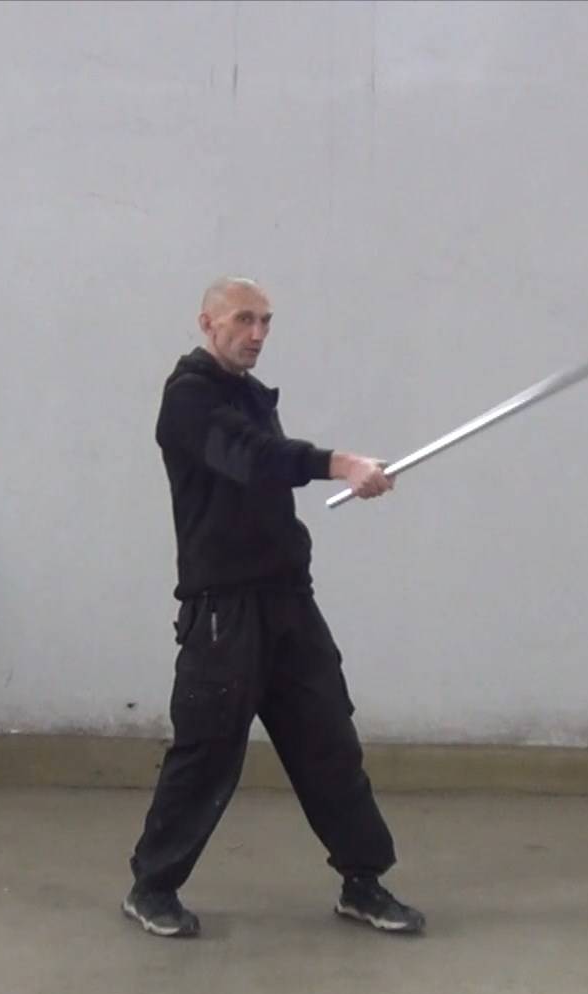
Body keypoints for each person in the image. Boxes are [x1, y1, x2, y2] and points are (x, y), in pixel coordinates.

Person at [123, 276, 426, 939]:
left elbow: (265, 470)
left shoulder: (252, 397)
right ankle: (152, 887)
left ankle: (363, 881)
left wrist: (335, 472)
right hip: (223, 612)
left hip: (287, 601)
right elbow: (251, 458)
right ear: (207, 323)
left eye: (265, 321)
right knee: (207, 754)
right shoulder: (189, 399)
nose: (257, 334)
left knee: (328, 741)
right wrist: (339, 462)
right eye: (243, 319)